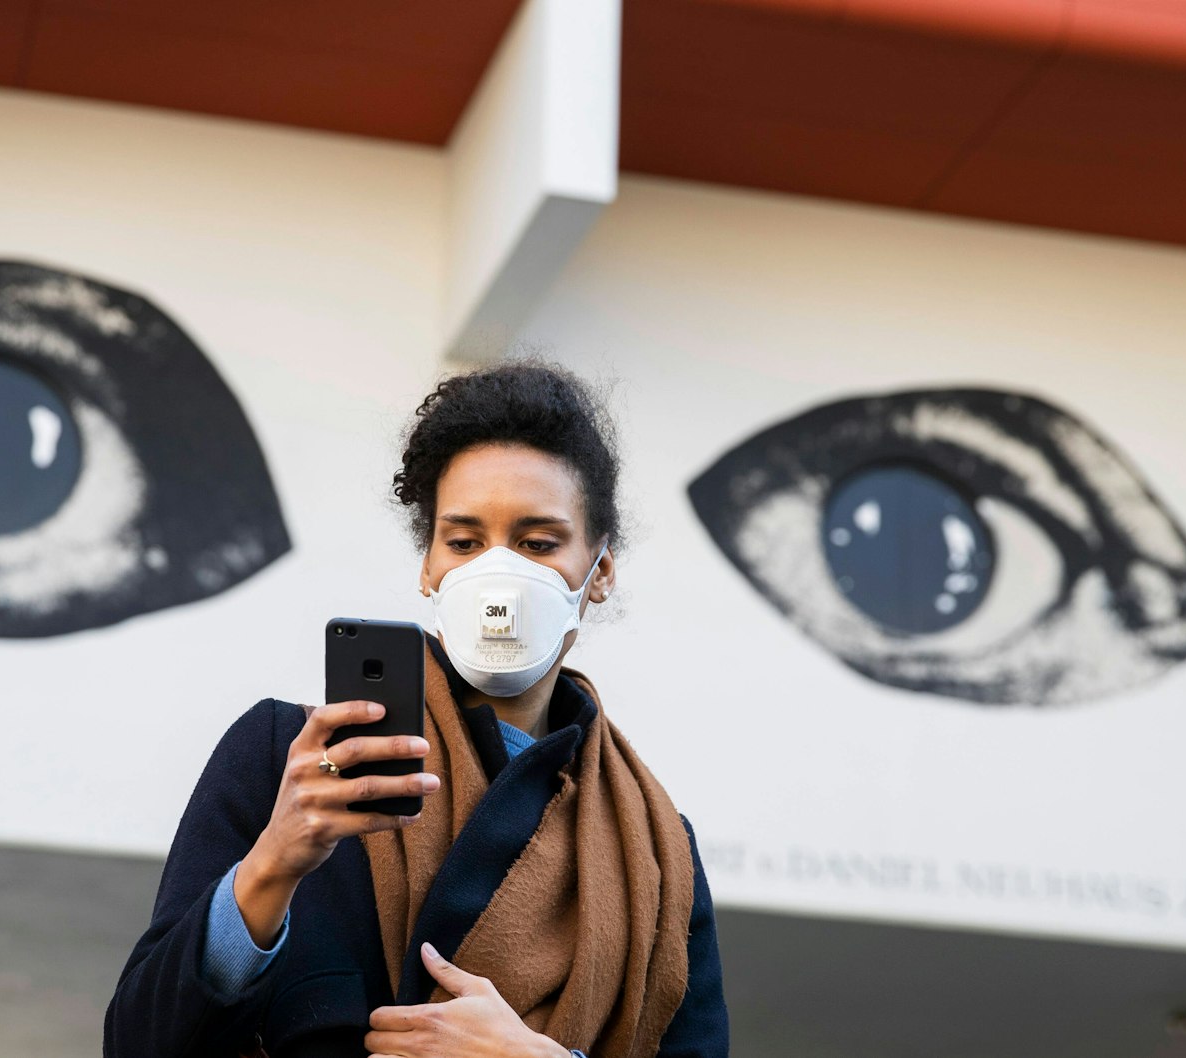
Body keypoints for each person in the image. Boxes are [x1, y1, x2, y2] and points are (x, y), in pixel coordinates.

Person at [104, 361, 729, 1058]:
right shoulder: (294, 760)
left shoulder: (657, 856)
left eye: (537, 543)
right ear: (428, 567)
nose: (498, 575)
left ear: (600, 571)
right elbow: (137, 1043)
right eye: (464, 542)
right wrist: (272, 865)